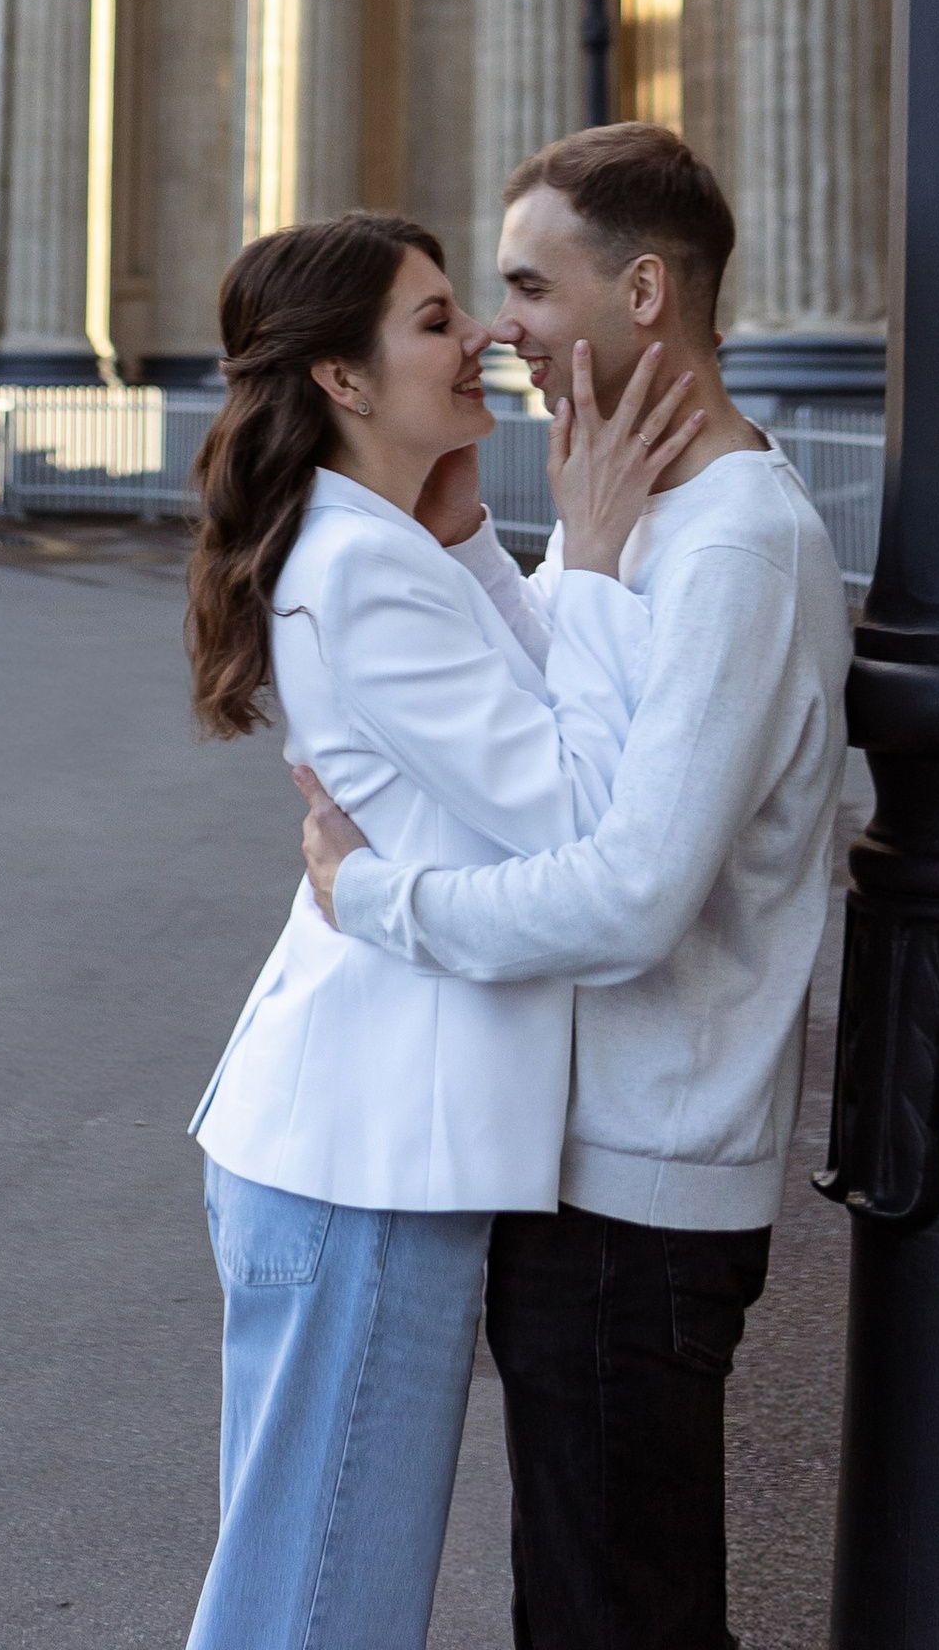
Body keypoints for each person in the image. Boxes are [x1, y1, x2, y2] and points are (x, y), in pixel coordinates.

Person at [297, 125, 853, 1650]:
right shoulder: (642, 516)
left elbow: (621, 897)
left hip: (639, 1185)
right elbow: (539, 687)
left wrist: (374, 902)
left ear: (649, 290)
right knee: (598, 1607)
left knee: (618, 1621)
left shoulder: (734, 543)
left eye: (531, 286)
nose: (500, 328)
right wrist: (494, 514)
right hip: (582, 1164)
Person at [182, 208, 697, 1650]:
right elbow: (586, 811)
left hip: (361, 1160)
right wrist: (587, 558)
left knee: (317, 1595)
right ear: (343, 382)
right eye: (431, 319)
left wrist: (476, 536)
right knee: (316, 1610)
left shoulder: (387, 547)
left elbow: (540, 717)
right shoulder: (357, 567)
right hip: (362, 1169)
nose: (477, 336)